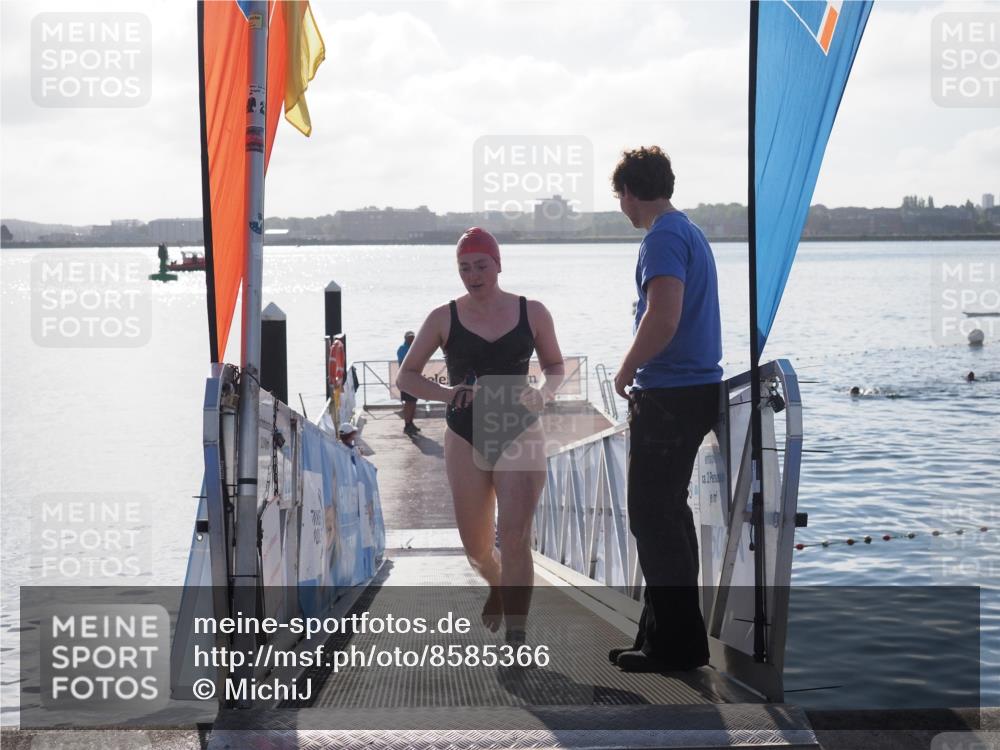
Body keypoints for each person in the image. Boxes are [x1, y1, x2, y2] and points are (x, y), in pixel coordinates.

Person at [396, 227, 565, 642]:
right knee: (476, 548)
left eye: (481, 265)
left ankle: (517, 636)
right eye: (465, 267)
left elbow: (556, 367)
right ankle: (496, 585)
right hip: (464, 433)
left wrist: (544, 393)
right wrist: (447, 393)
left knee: (515, 535)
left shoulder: (533, 311)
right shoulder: (443, 316)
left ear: (498, 265)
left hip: (519, 429)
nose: (473, 275)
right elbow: (407, 376)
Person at [609, 146, 723, 673]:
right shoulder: (690, 232)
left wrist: (626, 367)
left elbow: (663, 315)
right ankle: (664, 638)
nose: (622, 208)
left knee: (652, 518)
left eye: (621, 197)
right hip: (694, 391)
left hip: (670, 395)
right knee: (669, 518)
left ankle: (676, 646)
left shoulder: (662, 237)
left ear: (631, 192)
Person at [397, 331, 420, 435]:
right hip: (405, 379)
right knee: (408, 402)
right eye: (410, 338)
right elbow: (403, 364)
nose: (412, 339)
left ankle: (411, 423)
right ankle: (407, 425)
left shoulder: (416, 348)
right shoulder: (402, 348)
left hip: (415, 378)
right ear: (405, 338)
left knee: (413, 402)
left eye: (413, 337)